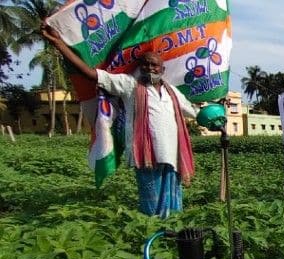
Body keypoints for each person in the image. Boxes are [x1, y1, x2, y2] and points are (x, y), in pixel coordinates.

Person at [42, 24, 197, 219]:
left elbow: (194, 112)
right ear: (140, 67)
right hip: (146, 156)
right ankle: (151, 237)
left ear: (162, 69)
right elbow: (91, 74)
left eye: (154, 65)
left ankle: (172, 237)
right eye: (145, 64)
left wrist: (216, 114)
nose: (149, 67)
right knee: (151, 208)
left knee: (173, 208)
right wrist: (58, 43)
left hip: (172, 156)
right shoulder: (130, 85)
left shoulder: (172, 92)